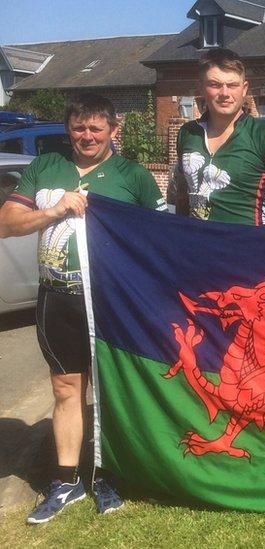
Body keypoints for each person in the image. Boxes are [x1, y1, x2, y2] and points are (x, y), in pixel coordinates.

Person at [0, 93, 167, 523]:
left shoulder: (134, 176)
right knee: (65, 389)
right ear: (68, 129)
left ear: (114, 130)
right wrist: (54, 210)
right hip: (57, 296)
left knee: (112, 388)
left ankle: (109, 473)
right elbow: (6, 223)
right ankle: (68, 479)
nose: (87, 136)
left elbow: (160, 238)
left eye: (96, 128)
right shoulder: (45, 168)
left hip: (112, 298)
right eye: (78, 127)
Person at [169, 48, 265, 227]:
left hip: (247, 249)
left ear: (244, 88)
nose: (224, 93)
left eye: (232, 85)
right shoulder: (187, 133)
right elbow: (183, 197)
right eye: (215, 84)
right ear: (202, 87)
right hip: (196, 248)